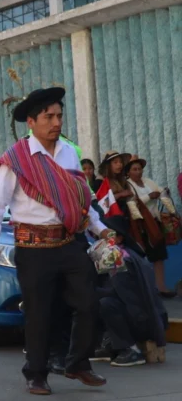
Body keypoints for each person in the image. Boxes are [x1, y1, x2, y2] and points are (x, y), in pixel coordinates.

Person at [0, 87, 114, 396]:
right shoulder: (16, 158)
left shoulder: (69, 152)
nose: (56, 122)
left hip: (70, 243)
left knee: (89, 303)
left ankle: (77, 363)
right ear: (31, 121)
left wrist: (101, 229)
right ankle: (36, 373)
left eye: (59, 116)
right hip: (33, 248)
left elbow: (81, 200)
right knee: (39, 314)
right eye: (49, 117)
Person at [96, 216, 169, 366]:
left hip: (143, 320)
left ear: (119, 238)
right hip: (138, 315)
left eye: (107, 235)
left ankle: (129, 349)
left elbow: (121, 295)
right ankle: (109, 343)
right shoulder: (116, 255)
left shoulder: (122, 259)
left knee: (105, 303)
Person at [126, 156, 177, 298]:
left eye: (139, 169)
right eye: (134, 169)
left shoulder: (148, 181)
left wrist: (172, 210)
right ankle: (145, 290)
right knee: (141, 258)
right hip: (140, 225)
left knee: (159, 256)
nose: (138, 172)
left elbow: (162, 193)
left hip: (154, 222)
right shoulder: (127, 185)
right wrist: (149, 196)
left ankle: (161, 287)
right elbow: (132, 204)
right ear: (128, 172)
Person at [96, 151, 133, 217]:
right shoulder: (100, 181)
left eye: (121, 162)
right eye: (115, 162)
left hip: (124, 216)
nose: (119, 164)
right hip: (109, 219)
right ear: (108, 165)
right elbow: (101, 202)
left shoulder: (121, 180)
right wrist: (121, 194)